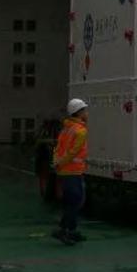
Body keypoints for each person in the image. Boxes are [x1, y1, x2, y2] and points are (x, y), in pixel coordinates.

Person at [51, 98, 88, 245]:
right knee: (75, 203)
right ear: (79, 113)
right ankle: (65, 231)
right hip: (73, 172)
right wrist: (61, 162)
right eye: (85, 110)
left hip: (65, 171)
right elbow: (73, 152)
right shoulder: (81, 131)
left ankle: (69, 230)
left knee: (71, 202)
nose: (87, 113)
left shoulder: (66, 129)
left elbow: (57, 148)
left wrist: (57, 163)